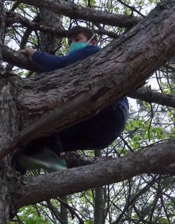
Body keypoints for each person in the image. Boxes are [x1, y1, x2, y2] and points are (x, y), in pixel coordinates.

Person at [14, 26, 129, 173]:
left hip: (109, 112)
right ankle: (27, 164)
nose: (73, 44)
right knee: (36, 137)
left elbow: (59, 65)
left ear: (93, 42)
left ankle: (47, 155)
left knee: (49, 113)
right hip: (102, 133)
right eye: (70, 42)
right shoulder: (80, 69)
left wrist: (33, 53)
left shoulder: (93, 52)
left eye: (77, 39)